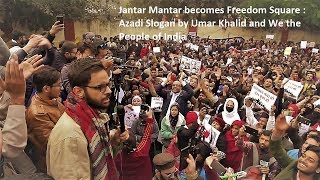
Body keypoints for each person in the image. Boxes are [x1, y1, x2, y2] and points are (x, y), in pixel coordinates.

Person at [46, 58, 129, 179]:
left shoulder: (92, 118)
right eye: (100, 87)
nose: (109, 91)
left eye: (108, 84)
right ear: (79, 91)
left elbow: (96, 159)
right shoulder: (70, 137)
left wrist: (113, 141)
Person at [26, 66, 64, 172]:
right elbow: (53, 143)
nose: (61, 88)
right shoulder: (38, 113)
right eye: (59, 85)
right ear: (46, 88)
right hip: (53, 164)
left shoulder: (52, 100)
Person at [270, 113, 320, 179]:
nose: (303, 160)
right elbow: (277, 151)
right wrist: (278, 132)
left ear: (318, 169)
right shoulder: (293, 165)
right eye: (303, 156)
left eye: (310, 160)